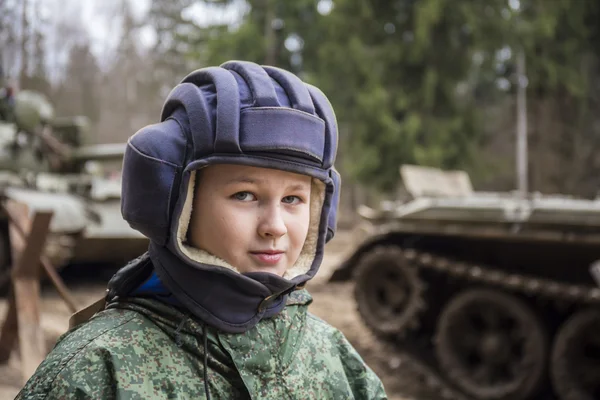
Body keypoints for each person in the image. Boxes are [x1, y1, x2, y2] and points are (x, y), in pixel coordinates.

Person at [16, 60, 387, 399]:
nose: (275, 227)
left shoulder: (337, 361)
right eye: (244, 195)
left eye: (293, 199)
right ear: (174, 202)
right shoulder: (96, 373)